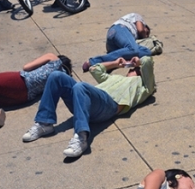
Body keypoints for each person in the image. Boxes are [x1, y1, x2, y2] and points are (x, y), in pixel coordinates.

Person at [22, 55, 156, 158]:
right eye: (132, 68)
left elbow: (148, 61)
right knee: (57, 76)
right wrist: (116, 64)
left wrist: (139, 63)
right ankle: (45, 123)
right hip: (86, 100)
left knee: (81, 86)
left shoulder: (144, 86)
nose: (133, 69)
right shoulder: (114, 78)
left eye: (137, 69)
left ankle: (81, 136)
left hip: (109, 106)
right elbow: (95, 69)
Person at [0, 53, 72, 135]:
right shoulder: (63, 79)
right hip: (24, 97)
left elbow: (26, 67)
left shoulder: (53, 58)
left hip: (19, 80)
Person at [83, 14, 153, 69]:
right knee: (133, 49)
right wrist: (145, 36)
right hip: (120, 28)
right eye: (147, 32)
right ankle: (94, 61)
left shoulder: (131, 37)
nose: (146, 35)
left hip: (113, 41)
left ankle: (117, 62)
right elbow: (141, 30)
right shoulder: (138, 17)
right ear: (145, 26)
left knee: (147, 52)